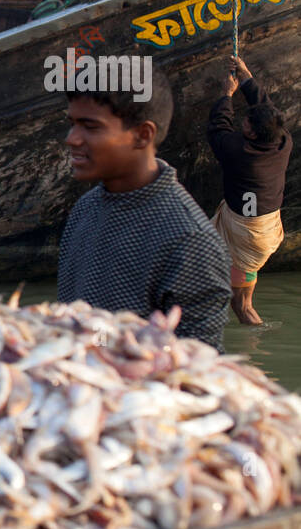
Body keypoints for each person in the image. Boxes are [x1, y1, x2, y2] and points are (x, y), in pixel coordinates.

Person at [58, 70, 231, 350]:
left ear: (142, 135)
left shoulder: (190, 241)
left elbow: (197, 368)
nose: (72, 138)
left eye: (90, 127)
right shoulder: (85, 208)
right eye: (73, 124)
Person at [208, 55, 292, 324]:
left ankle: (255, 351)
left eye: (245, 124)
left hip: (246, 233)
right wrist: (247, 78)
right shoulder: (282, 142)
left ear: (254, 134)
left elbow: (218, 128)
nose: (241, 124)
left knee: (241, 306)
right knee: (244, 297)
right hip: (262, 229)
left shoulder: (238, 152)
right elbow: (267, 109)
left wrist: (226, 95)